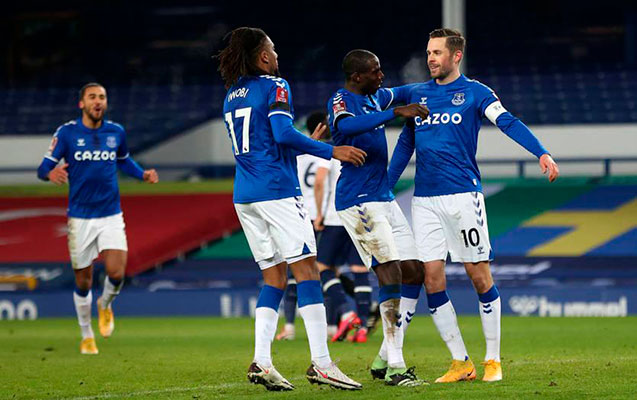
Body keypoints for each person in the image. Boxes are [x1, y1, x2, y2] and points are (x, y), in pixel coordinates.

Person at [387, 28, 560, 383]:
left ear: (456, 56)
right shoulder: (418, 95)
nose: (431, 58)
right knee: (432, 278)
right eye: (428, 52)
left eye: (437, 52)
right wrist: (385, 186)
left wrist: (540, 152)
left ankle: (493, 360)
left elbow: (507, 122)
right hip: (424, 200)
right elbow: (406, 145)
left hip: (464, 197)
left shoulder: (476, 92)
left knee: (478, 275)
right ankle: (460, 362)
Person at [216, 27, 365, 391]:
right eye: (273, 49)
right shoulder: (275, 85)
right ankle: (322, 364)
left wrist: (305, 144)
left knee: (274, 278)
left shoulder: (231, 95)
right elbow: (282, 134)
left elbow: (266, 145)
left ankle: (262, 361)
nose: (277, 55)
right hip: (277, 192)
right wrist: (331, 150)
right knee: (308, 269)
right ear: (263, 56)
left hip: (245, 194)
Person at [327, 49, 430, 386]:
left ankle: (384, 356)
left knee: (414, 270)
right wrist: (394, 113)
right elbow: (346, 125)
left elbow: (403, 91)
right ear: (357, 76)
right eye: (375, 71)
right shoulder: (342, 100)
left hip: (383, 198)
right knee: (389, 270)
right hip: (358, 200)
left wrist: (440, 85)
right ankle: (396, 367)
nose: (381, 76)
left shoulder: (376, 97)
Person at [36, 82, 159, 355]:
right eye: (92, 97)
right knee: (84, 281)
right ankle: (86, 335)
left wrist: (142, 174)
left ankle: (105, 304)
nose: (98, 101)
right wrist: (50, 173)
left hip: (111, 214)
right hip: (80, 219)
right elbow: (43, 168)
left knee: (117, 272)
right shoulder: (67, 133)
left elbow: (123, 160)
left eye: (102, 97)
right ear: (81, 103)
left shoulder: (116, 132)